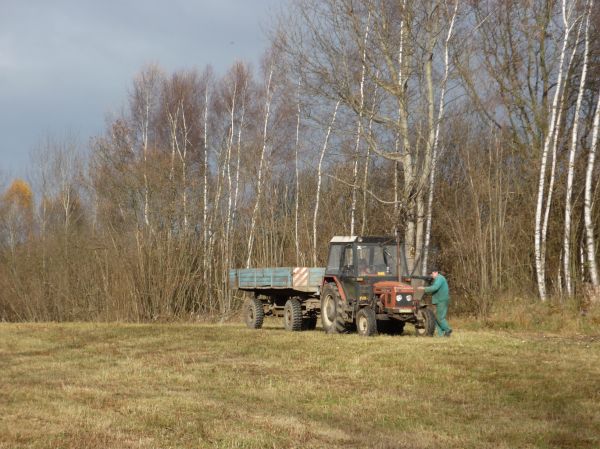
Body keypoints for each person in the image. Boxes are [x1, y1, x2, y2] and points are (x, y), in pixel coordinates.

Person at [418, 268, 452, 337]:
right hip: (440, 300)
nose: (431, 275)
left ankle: (448, 330)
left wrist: (424, 288)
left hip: (441, 300)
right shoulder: (438, 279)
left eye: (432, 273)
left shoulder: (439, 278)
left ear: (436, 272)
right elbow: (434, 289)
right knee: (436, 318)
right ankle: (441, 335)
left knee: (440, 318)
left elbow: (435, 287)